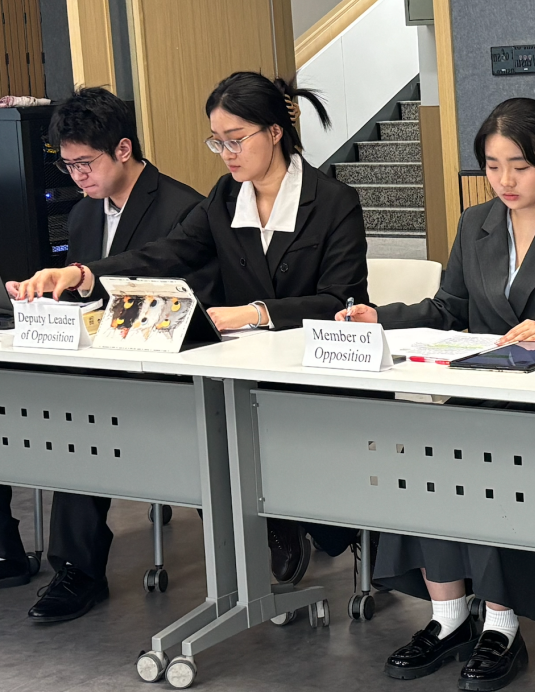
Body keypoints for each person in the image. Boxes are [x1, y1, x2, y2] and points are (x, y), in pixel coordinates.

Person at [338, 97, 535, 691]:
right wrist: (381, 317)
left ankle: (501, 626)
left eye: (520, 166)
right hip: (480, 394)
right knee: (423, 454)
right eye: (492, 165)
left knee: (493, 459)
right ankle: (450, 615)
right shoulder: (475, 224)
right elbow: (449, 310)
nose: (505, 180)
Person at [15, 71, 370, 585]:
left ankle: (303, 523)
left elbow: (341, 299)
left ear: (274, 132)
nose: (226, 154)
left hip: (309, 368)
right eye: (217, 142)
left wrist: (253, 312)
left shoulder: (334, 201)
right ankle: (270, 531)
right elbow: (169, 253)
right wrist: (82, 274)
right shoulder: (226, 196)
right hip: (243, 367)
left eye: (235, 140)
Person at [0, 87, 213, 622]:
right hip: (100, 362)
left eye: (85, 164)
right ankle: (41, 558)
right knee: (43, 403)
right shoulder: (83, 216)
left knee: (81, 416)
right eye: (68, 166)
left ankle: (79, 570)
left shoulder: (184, 208)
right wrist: (43, 302)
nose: (77, 177)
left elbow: (190, 303)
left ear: (122, 148)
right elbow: (84, 301)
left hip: (166, 371)